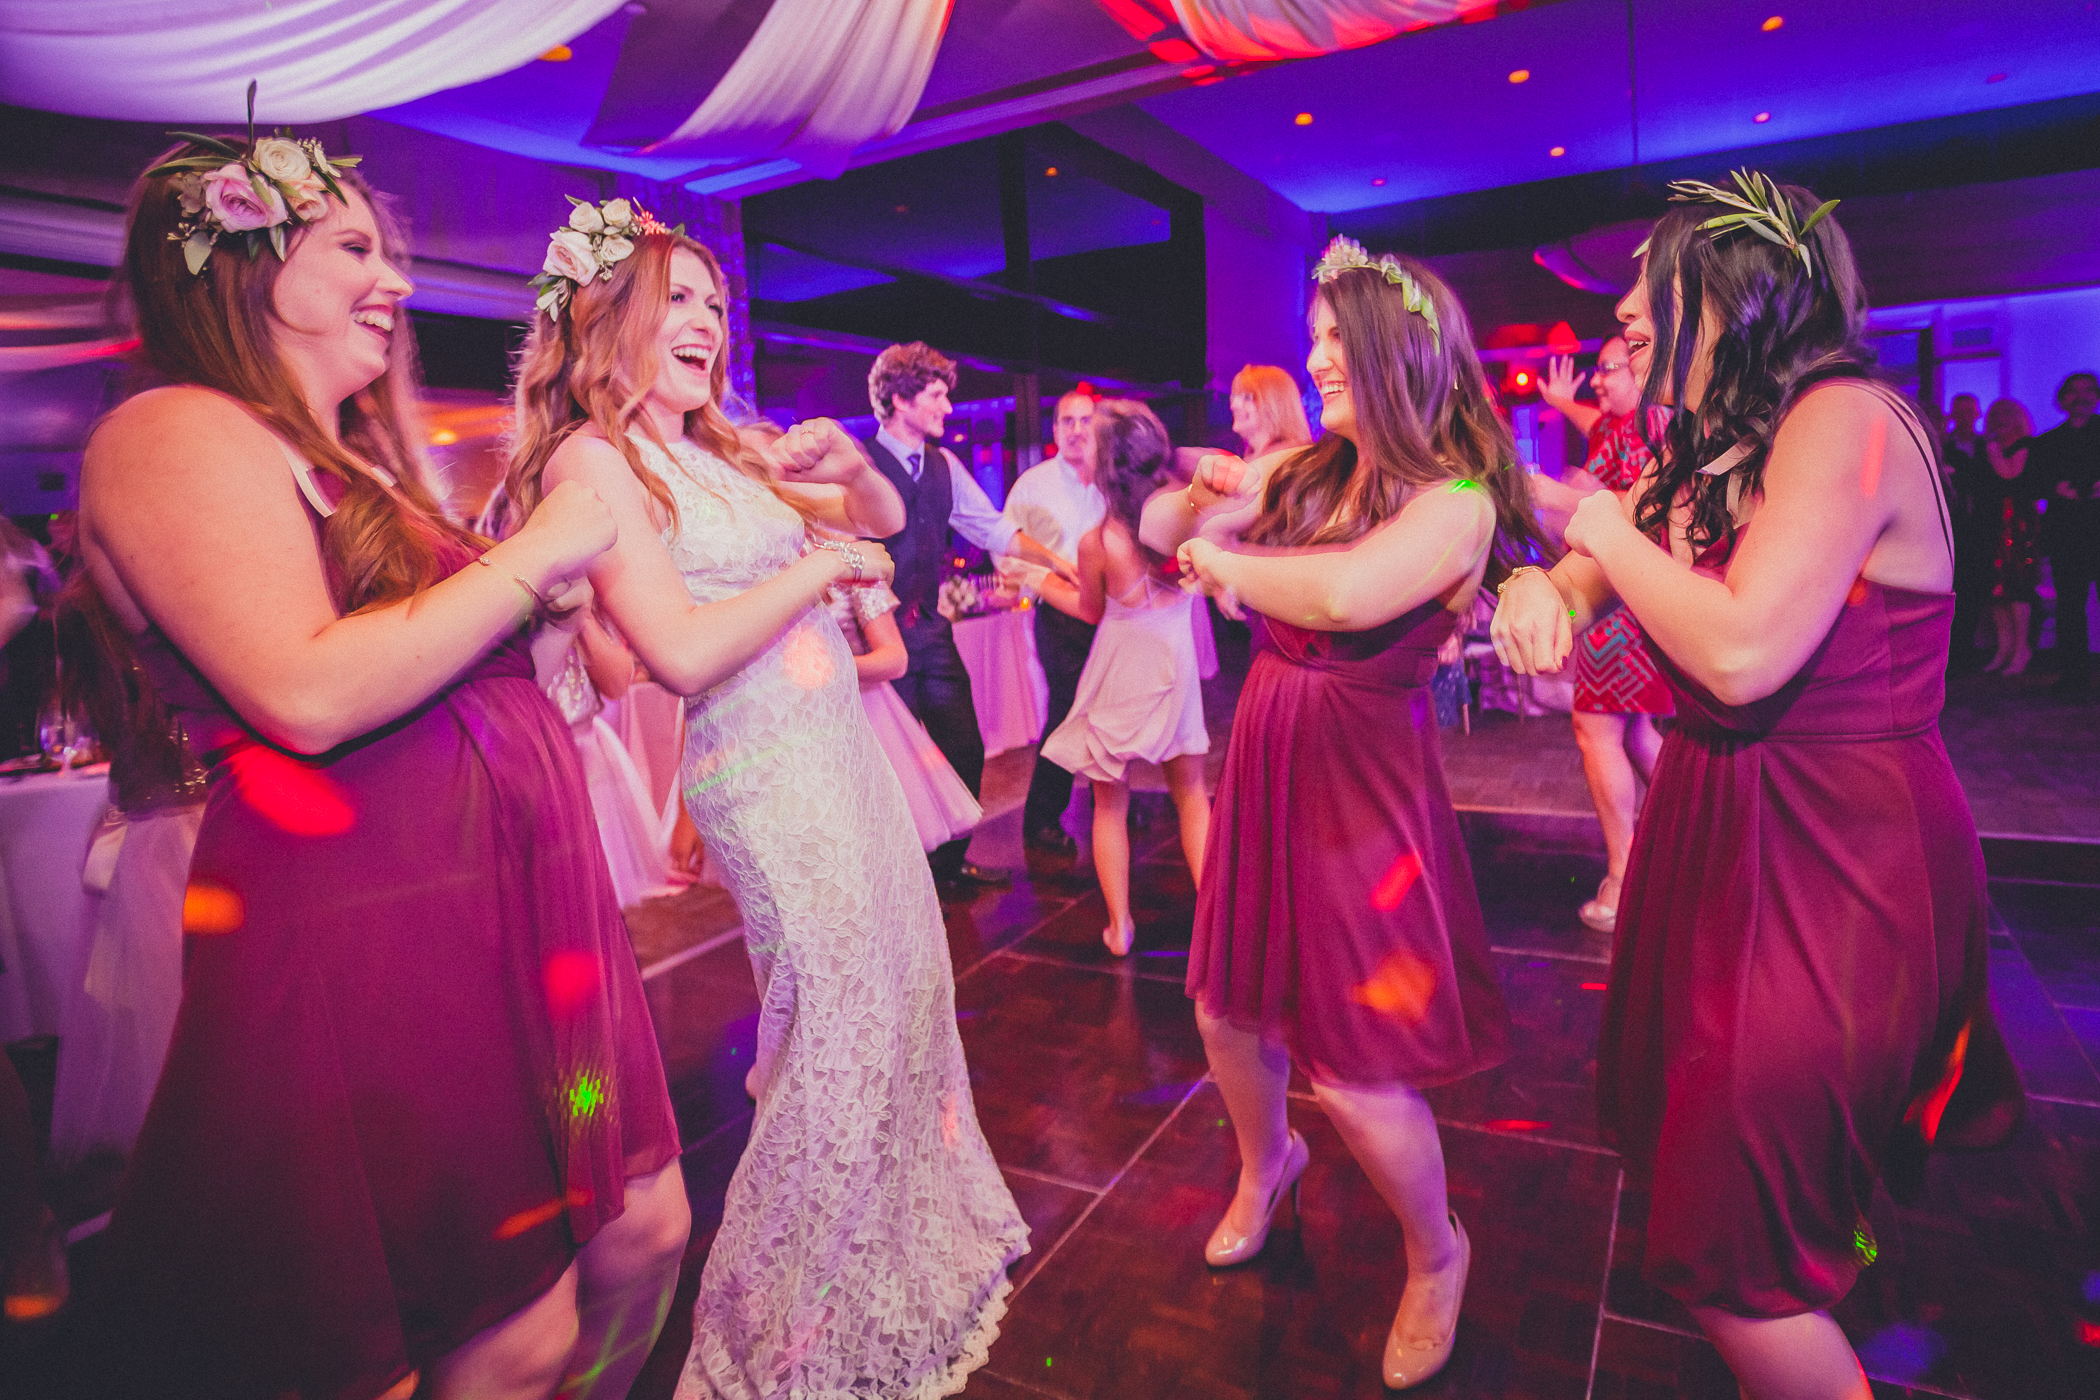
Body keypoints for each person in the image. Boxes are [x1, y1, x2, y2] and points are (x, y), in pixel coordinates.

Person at [77, 135, 688, 1399]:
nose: (395, 283)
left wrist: (547, 627)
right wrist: (533, 554)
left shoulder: (356, 466)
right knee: (494, 1331)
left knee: (643, 1230)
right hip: (371, 926)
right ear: (242, 262)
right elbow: (303, 691)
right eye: (355, 246)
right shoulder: (171, 427)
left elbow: (450, 674)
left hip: (512, 904)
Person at [1491, 173, 2022, 1400]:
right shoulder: (1711, 449)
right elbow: (1594, 568)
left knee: (1734, 1255)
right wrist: (1543, 586)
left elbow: (1737, 651)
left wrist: (1599, 532)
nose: (1623, 315)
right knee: (1724, 1163)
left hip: (1839, 849)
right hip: (1724, 821)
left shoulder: (1844, 419)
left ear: (1733, 301)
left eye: (1647, 293)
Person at [502, 206, 1028, 1399]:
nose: (705, 320)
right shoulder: (597, 459)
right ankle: (775, 1334)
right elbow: (680, 652)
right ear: (610, 319)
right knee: (838, 1021)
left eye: (713, 301)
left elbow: (885, 524)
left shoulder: (724, 446)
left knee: (902, 992)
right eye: (676, 298)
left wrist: (851, 470)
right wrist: (817, 566)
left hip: (840, 752)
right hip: (760, 771)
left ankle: (887, 1263)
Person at [1147, 236, 1541, 1390]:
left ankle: (1437, 1249)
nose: (1317, 357)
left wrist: (1225, 563)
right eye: (1313, 336)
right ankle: (1267, 1162)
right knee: (1227, 1008)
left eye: (1335, 339)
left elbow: (1343, 592)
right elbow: (1164, 528)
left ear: (1397, 352)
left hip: (1363, 793)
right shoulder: (1312, 472)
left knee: (1359, 1067)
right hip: (1269, 756)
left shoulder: (1455, 502)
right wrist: (1200, 499)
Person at [861, 343, 1070, 891]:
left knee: (965, 748)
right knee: (894, 766)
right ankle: (904, 884)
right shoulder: (860, 465)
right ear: (900, 399)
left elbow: (992, 528)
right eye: (936, 396)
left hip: (931, 632)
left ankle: (947, 866)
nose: (948, 408)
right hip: (877, 638)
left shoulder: (945, 466)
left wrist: (1057, 562)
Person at [1037, 400, 1210, 956]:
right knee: (1191, 794)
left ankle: (1120, 926)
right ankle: (1215, 920)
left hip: (1120, 670)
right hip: (1174, 663)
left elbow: (1089, 611)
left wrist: (1042, 584)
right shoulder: (1184, 518)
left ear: (1108, 464)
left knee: (1109, 803)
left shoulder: (1099, 542)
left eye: (1091, 439)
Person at [1539, 338, 1673, 933]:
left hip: (1620, 604)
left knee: (1596, 729)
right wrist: (1560, 404)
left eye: (1610, 368)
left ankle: (1626, 877)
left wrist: (1554, 493)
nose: (1597, 380)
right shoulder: (1618, 426)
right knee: (1637, 732)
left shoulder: (1648, 426)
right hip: (1632, 600)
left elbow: (1637, 505)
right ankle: (1700, 843)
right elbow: (1595, 423)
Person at [1002, 389, 1105, 854]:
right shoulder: (1033, 484)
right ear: (1055, 428)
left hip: (1110, 611)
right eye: (1068, 421)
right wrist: (1037, 582)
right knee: (1067, 708)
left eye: (1085, 420)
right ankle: (1042, 816)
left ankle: (1111, 801)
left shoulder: (1111, 478)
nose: (1077, 430)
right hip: (1060, 614)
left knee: (1112, 707)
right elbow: (1005, 546)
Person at [2031, 371, 2100, 695]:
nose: (2082, 396)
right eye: (2075, 391)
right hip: (2066, 535)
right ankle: (2074, 678)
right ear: (2063, 398)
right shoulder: (2047, 441)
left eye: (2088, 390)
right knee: (2070, 608)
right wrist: (2054, 488)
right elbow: (2032, 483)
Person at [1980, 398, 2039, 675]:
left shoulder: (2026, 445)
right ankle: (2004, 648)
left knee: (2016, 585)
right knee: (1995, 588)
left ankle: (2021, 648)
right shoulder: (1989, 446)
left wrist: (1992, 451)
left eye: (2007, 413)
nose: (2001, 418)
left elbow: (2009, 473)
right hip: (1992, 522)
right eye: (1996, 414)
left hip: (2017, 523)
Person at [1942, 393, 1992, 673]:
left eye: (1968, 410)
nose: (1964, 415)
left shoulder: (1986, 445)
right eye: (1959, 410)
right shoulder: (1943, 446)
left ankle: (1967, 650)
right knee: (1956, 589)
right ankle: (1956, 654)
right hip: (1955, 528)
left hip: (1982, 527)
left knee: (1976, 590)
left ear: (1977, 413)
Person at [1229, 362, 1315, 459]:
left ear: (1276, 405)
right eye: (1234, 397)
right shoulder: (1249, 461)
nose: (1234, 405)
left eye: (1247, 397)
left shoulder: (1295, 460)